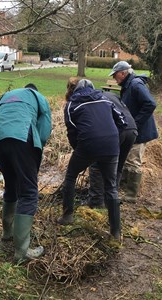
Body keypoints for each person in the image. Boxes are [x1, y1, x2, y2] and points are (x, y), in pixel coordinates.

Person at [0, 83, 52, 263]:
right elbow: (44, 129)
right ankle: (22, 252)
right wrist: (36, 149)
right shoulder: (39, 97)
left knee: (11, 184)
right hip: (20, 135)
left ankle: (8, 233)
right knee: (29, 193)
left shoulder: (7, 95)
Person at [57, 78, 127, 240]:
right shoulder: (105, 100)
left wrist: (80, 152)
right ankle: (115, 232)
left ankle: (67, 216)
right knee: (111, 186)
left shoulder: (72, 105)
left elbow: (72, 132)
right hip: (112, 145)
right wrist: (112, 139)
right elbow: (122, 121)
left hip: (88, 145)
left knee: (70, 176)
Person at [109, 61, 158, 202]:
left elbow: (150, 104)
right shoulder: (128, 85)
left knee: (133, 161)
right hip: (134, 130)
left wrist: (136, 123)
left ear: (123, 73)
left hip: (140, 131)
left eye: (115, 75)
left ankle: (131, 195)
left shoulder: (136, 84)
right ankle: (123, 189)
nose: (114, 78)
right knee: (127, 158)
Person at [88, 91, 138, 208]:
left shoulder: (94, 99)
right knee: (118, 165)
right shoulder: (112, 95)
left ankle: (96, 201)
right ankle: (111, 200)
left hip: (117, 130)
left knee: (96, 164)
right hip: (132, 130)